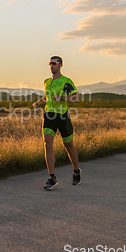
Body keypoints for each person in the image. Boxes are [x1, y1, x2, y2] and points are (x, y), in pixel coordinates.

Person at [33, 56, 81, 190]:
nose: (51, 65)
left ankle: (76, 171)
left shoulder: (66, 81)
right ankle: (52, 177)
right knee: (48, 144)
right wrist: (39, 102)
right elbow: (46, 96)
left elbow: (77, 97)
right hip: (49, 116)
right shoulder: (47, 82)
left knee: (69, 145)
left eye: (53, 63)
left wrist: (62, 98)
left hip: (62, 116)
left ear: (60, 65)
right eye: (49, 63)